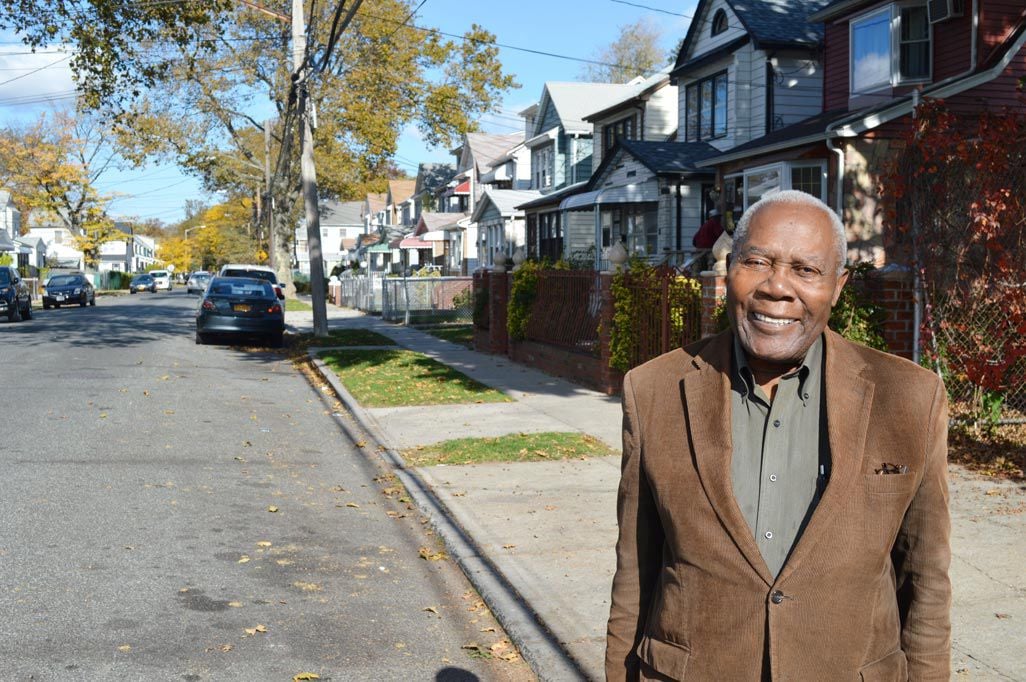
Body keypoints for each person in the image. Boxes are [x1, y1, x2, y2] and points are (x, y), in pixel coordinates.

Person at [605, 190, 950, 681]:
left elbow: (927, 583)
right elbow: (635, 571)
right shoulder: (654, 390)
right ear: (729, 271)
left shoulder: (911, 398)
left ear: (838, 286)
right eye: (757, 261)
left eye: (806, 270)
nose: (776, 287)